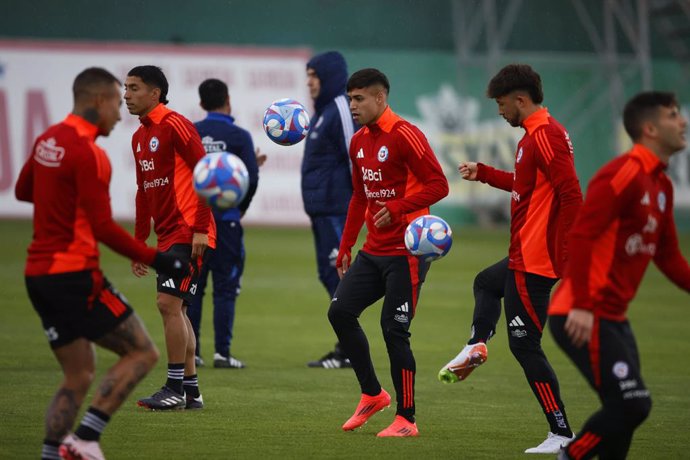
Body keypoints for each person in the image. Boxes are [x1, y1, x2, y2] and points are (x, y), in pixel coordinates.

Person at [15, 67, 188, 460]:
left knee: (78, 375)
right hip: (74, 275)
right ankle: (87, 439)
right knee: (143, 352)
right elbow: (104, 228)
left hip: (37, 276)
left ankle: (51, 453)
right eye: (116, 98)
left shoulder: (49, 138)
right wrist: (157, 258)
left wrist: (61, 205)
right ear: (98, 102)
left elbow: (26, 190)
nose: (120, 106)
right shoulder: (90, 154)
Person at [437, 63, 582, 453]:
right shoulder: (535, 137)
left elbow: (571, 196)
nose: (500, 112)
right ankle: (476, 344)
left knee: (525, 346)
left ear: (520, 99)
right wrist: (483, 172)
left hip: (536, 262)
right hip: (523, 256)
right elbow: (524, 187)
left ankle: (561, 432)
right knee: (485, 282)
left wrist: (571, 258)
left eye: (502, 104)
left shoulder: (546, 136)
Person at [549, 91, 690, 459]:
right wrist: (581, 304)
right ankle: (571, 455)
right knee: (633, 405)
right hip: (582, 313)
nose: (683, 121)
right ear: (650, 129)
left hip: (613, 318)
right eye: (674, 115)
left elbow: (669, 257)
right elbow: (581, 234)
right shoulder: (624, 172)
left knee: (622, 414)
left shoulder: (662, 186)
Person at [328, 68, 449, 437]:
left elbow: (439, 185)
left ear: (381, 98)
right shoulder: (359, 142)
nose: (353, 105)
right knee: (340, 312)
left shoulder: (406, 134)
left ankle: (407, 419)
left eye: (359, 98)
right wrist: (347, 243)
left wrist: (399, 207)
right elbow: (360, 196)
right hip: (373, 251)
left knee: (393, 331)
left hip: (408, 254)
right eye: (350, 99)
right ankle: (372, 394)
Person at [124, 65, 216, 411]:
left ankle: (174, 385)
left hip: (189, 229)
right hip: (167, 235)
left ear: (155, 93)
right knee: (178, 310)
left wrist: (201, 229)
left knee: (168, 305)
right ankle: (191, 392)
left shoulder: (175, 124)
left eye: (134, 88)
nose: (126, 95)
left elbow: (206, 174)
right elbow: (142, 192)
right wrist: (138, 243)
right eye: (125, 88)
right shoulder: (138, 137)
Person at [187, 78, 259, 369]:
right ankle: (222, 353)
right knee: (225, 288)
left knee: (193, 287)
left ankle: (192, 352)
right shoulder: (240, 136)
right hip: (226, 224)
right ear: (228, 100)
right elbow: (251, 179)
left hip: (194, 224)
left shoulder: (191, 131)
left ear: (202, 104)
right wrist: (237, 210)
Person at [302, 51, 358, 369]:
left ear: (330, 76)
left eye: (314, 75)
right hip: (323, 209)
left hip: (337, 209)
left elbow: (354, 158)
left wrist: (359, 203)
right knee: (329, 273)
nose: (309, 82)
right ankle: (346, 346)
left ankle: (349, 349)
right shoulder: (323, 111)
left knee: (338, 275)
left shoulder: (339, 108)